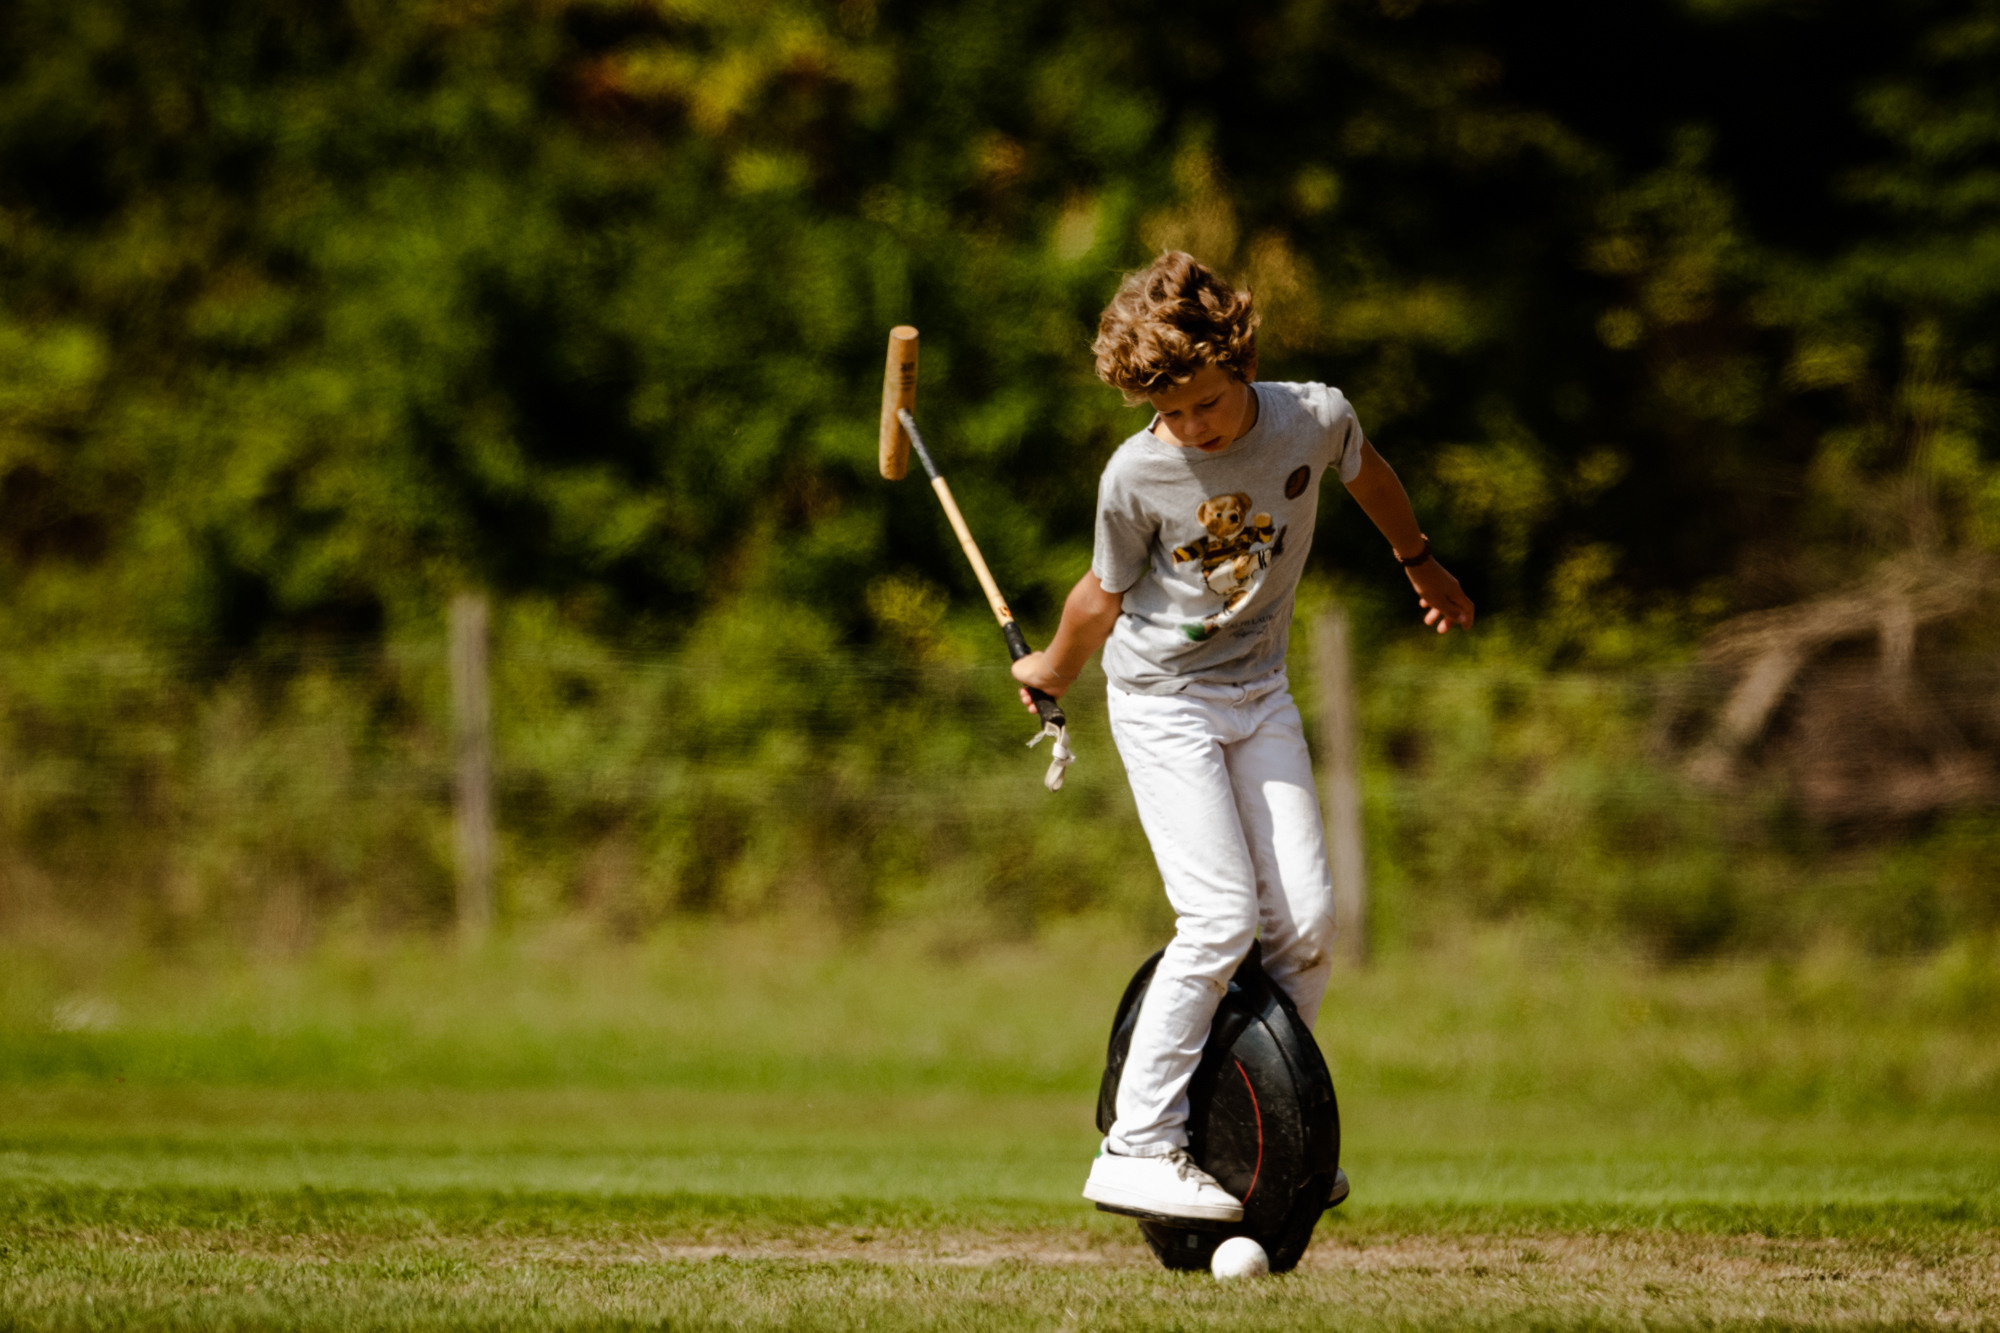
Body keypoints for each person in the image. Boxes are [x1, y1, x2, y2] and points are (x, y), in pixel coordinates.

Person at [1010, 251, 1474, 1222]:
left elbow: (1369, 472)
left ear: (1237, 359)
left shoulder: (1313, 415)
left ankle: (1269, 1118)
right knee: (1218, 919)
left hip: (1258, 691)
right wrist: (1050, 670)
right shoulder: (1134, 473)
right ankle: (1136, 1144)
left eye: (1203, 405)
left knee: (1303, 928)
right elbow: (1100, 595)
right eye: (1167, 412)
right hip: (1162, 699)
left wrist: (1417, 561)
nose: (1188, 427)